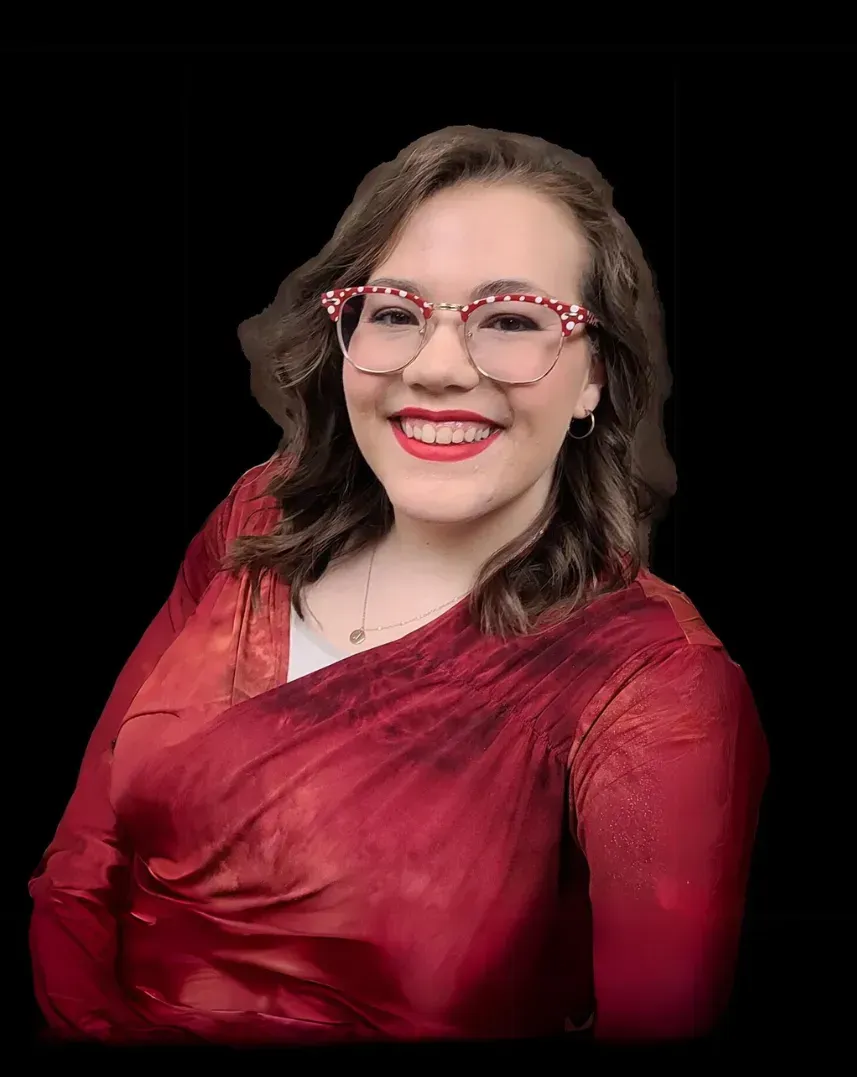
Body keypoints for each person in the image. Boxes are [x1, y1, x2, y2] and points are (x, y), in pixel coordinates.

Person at [29, 125, 768, 1046]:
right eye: (393, 310)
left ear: (595, 377)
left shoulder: (655, 685)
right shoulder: (257, 519)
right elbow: (84, 853)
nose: (437, 366)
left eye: (510, 320)